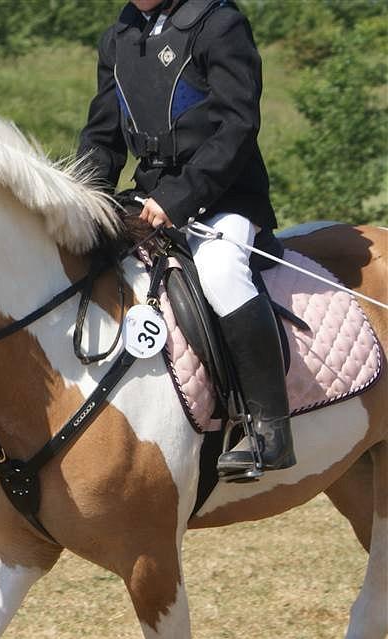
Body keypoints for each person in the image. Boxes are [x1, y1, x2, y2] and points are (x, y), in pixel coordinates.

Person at [77, 0, 296, 477]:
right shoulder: (121, 33)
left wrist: (178, 200)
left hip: (224, 198)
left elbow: (238, 127)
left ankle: (269, 430)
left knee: (221, 274)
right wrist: (81, 202)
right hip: (150, 200)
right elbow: (103, 137)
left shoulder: (220, 23)